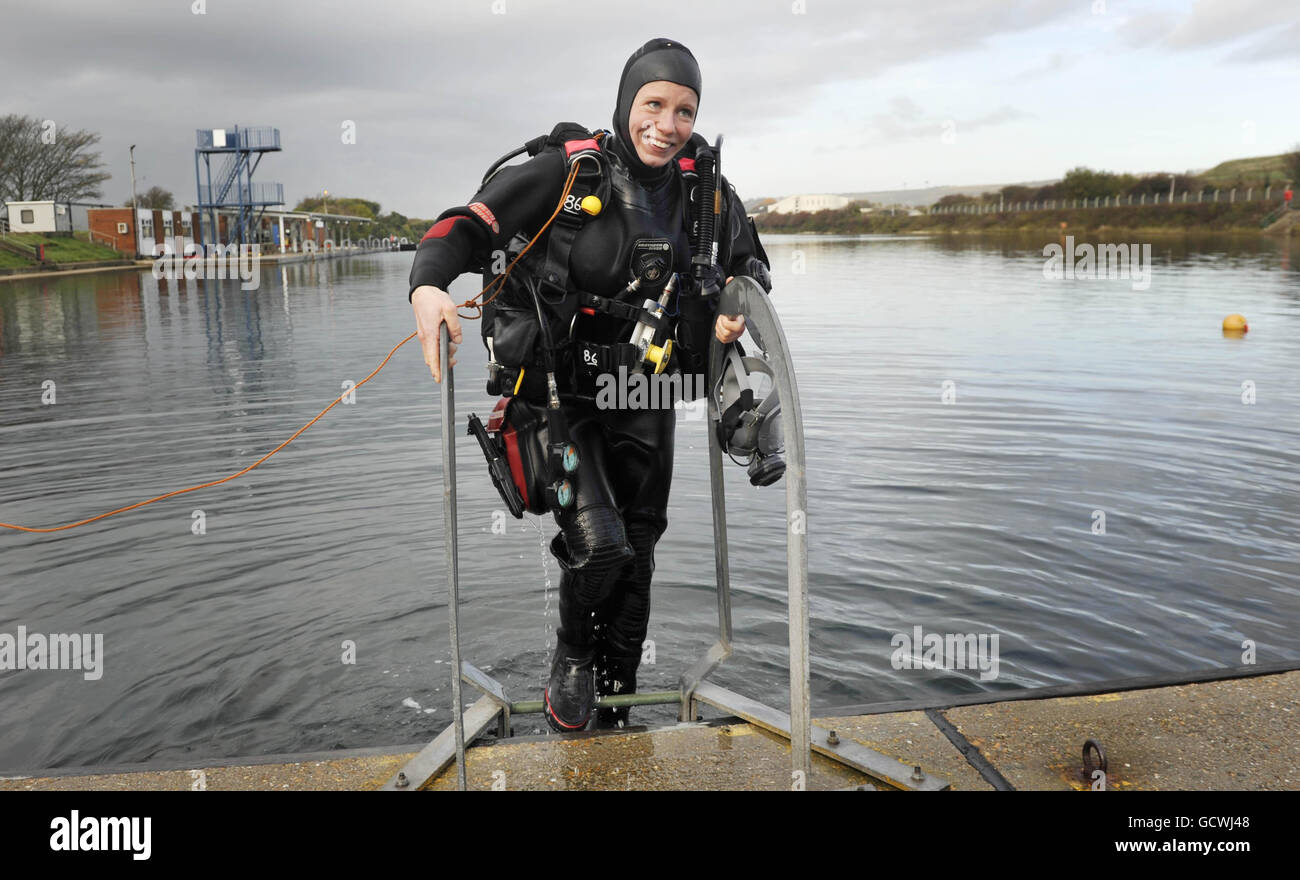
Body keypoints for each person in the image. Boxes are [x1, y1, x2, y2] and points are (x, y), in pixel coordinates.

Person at [408, 37, 772, 732]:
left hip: (644, 396)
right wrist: (427, 285)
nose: (668, 124)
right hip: (555, 398)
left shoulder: (710, 198)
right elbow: (464, 226)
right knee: (601, 544)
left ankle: (617, 708)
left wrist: (730, 302)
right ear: (627, 102)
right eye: (655, 104)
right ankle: (573, 656)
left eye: (685, 110)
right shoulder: (568, 177)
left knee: (638, 559)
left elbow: (753, 268)